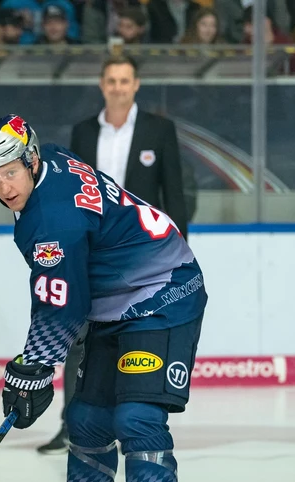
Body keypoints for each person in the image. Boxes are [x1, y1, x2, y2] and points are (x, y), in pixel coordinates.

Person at [0, 114, 206, 482]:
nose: (4, 187)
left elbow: (62, 307)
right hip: (114, 304)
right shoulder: (49, 160)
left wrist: (32, 368)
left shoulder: (51, 219)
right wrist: (35, 365)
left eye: (10, 173)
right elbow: (64, 294)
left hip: (163, 293)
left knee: (138, 416)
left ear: (31, 161)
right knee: (86, 418)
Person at [35, 54, 189, 454]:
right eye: (111, 80)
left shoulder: (159, 130)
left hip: (144, 256)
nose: (118, 87)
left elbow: (174, 194)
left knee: (141, 336)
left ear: (136, 84)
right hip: (91, 252)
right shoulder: (84, 132)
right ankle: (72, 423)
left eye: (125, 80)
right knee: (79, 334)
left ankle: (133, 420)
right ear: (102, 85)